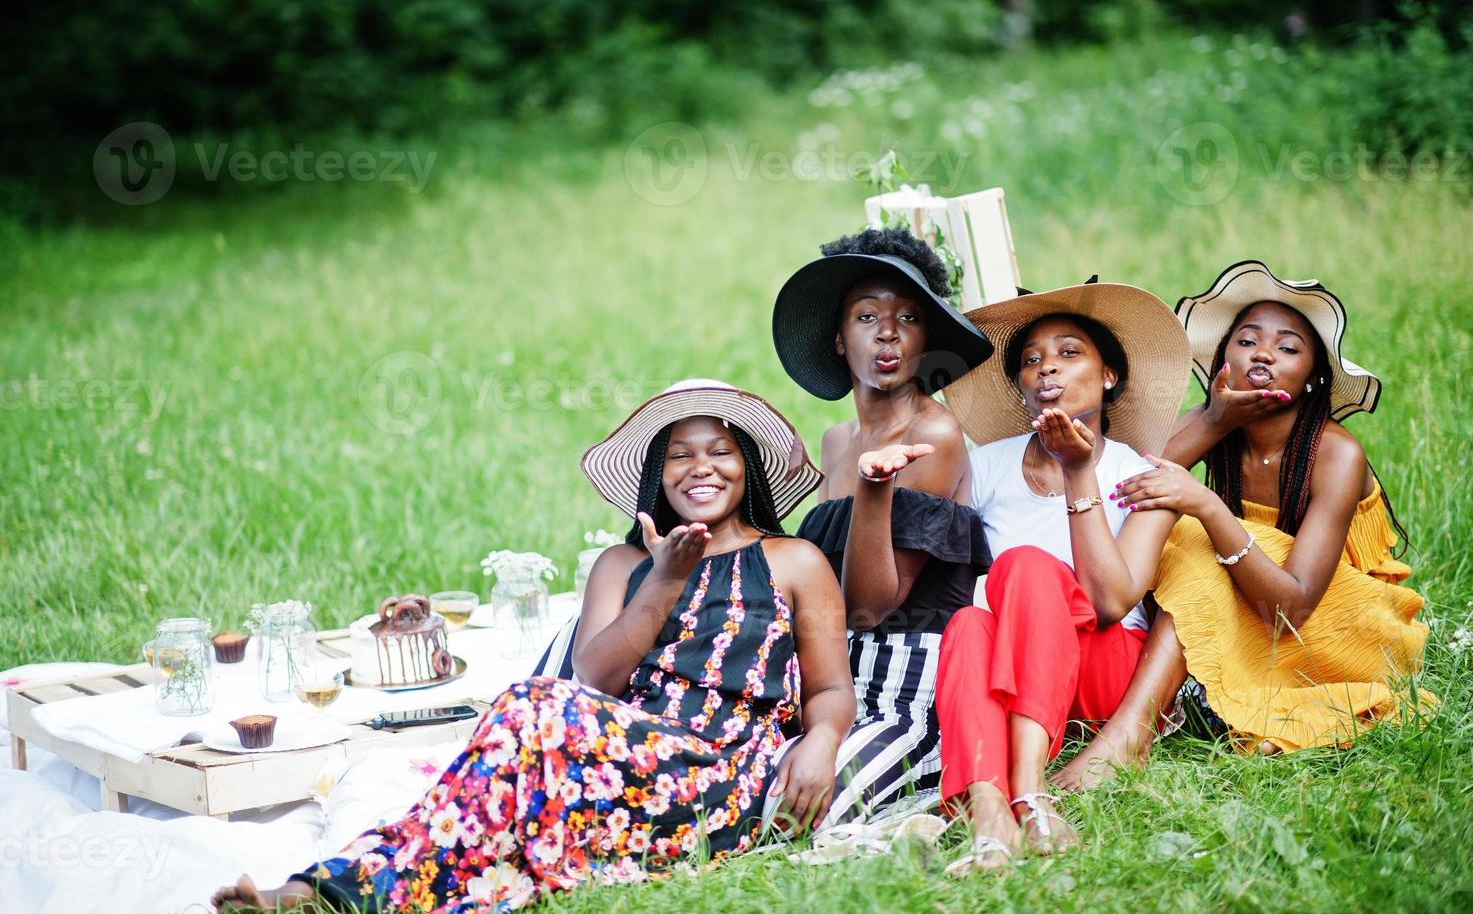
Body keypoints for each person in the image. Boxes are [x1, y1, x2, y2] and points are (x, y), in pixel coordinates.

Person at [212, 380, 855, 911]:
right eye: (681, 455)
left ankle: (321, 894)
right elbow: (597, 679)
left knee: (526, 709)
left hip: (721, 776)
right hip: (611, 762)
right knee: (493, 818)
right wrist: (663, 580)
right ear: (658, 473)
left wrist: (822, 740)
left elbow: (829, 689)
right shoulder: (621, 564)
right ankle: (321, 894)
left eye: (720, 451)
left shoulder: (794, 561)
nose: (702, 468)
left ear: (749, 466)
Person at [1055, 262, 1433, 788]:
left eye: (1288, 348)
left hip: (1342, 626)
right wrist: (1215, 420)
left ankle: (1130, 735)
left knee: (1191, 537)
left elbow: (1294, 606)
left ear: (1314, 376)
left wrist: (1210, 508)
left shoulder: (1336, 454)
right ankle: (1134, 720)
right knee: (1172, 526)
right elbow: (1129, 492)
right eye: (1248, 341)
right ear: (1221, 359)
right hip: (1257, 603)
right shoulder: (1214, 424)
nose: (1263, 355)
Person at [933, 281, 1191, 872]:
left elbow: (1109, 601)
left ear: (1108, 377)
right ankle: (992, 813)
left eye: (1069, 352)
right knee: (970, 624)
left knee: (1027, 566)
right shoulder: (986, 466)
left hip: (1102, 671)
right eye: (1030, 360)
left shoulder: (1141, 474)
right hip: (1015, 671)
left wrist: (1080, 473)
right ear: (1020, 387)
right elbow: (957, 583)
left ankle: (1030, 788)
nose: (1046, 366)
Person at [770, 227, 995, 826]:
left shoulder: (934, 435)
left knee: (799, 816)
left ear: (927, 342)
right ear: (840, 340)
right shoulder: (837, 440)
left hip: (907, 684)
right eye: (866, 315)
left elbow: (870, 606)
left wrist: (875, 490)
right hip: (826, 676)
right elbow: (818, 583)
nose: (887, 331)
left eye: (909, 317)